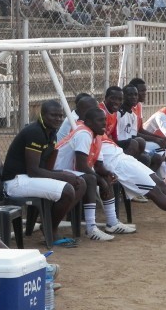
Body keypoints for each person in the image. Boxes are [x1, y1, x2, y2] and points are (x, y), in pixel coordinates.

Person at [2, 99, 87, 248]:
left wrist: (65, 174)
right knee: (67, 189)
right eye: (53, 115)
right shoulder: (35, 132)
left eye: (60, 116)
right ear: (42, 115)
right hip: (16, 181)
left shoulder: (51, 132)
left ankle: (49, 224)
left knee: (80, 183)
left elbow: (46, 168)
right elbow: (33, 170)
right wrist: (63, 176)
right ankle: (51, 231)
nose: (58, 119)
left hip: (28, 178)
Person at [54, 97, 136, 240]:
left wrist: (108, 174)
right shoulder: (83, 133)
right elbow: (81, 165)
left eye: (105, 120)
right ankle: (91, 228)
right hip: (57, 171)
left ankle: (112, 222)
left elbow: (98, 165)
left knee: (103, 177)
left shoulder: (97, 135)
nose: (104, 124)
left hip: (72, 171)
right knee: (91, 179)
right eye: (100, 121)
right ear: (89, 122)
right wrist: (99, 179)